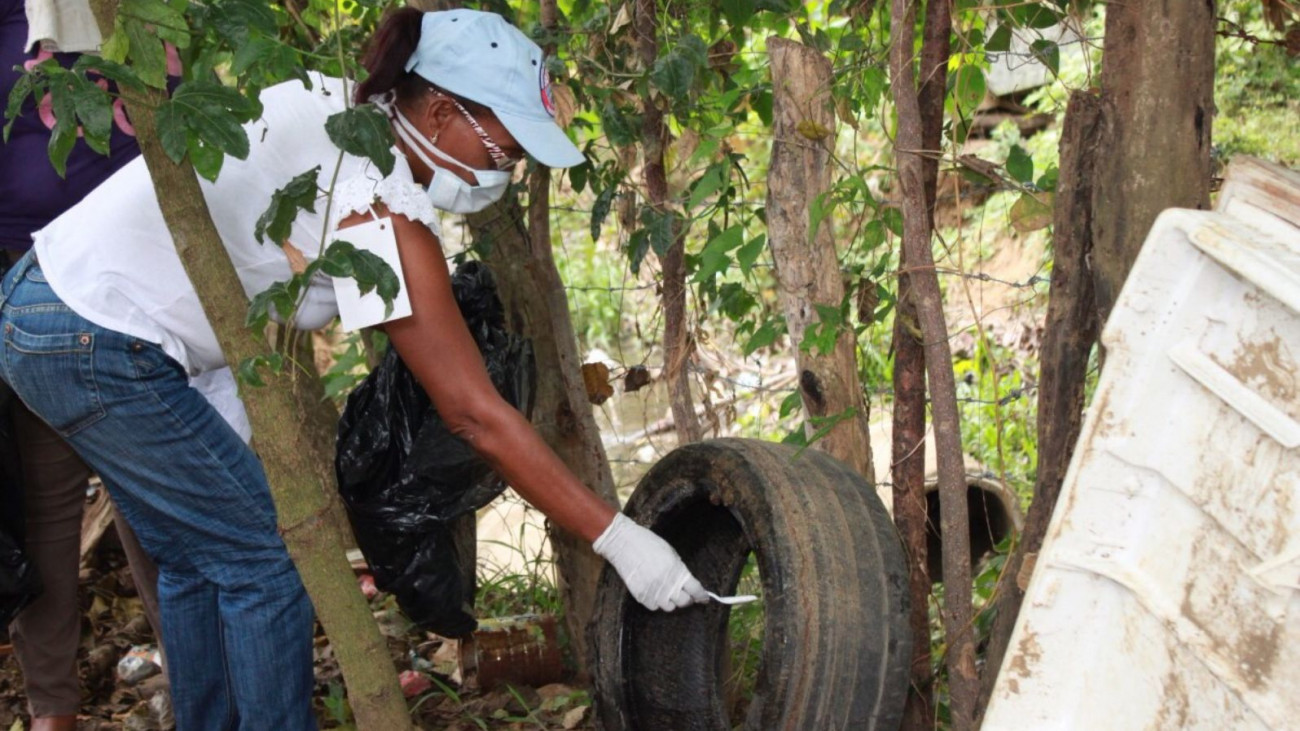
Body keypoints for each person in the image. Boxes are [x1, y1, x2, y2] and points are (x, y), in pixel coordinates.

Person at [0, 8, 709, 729]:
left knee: (197, 559)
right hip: (93, 336)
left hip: (50, 307)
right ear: (438, 111)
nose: (510, 164)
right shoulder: (370, 190)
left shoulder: (343, 110)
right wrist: (624, 541)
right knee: (264, 558)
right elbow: (473, 411)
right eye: (505, 143)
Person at [1, 2, 168, 729]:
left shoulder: (131, 13)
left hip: (142, 282)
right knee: (45, 505)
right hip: (26, 281)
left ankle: (201, 683)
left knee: (160, 496)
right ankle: (52, 709)